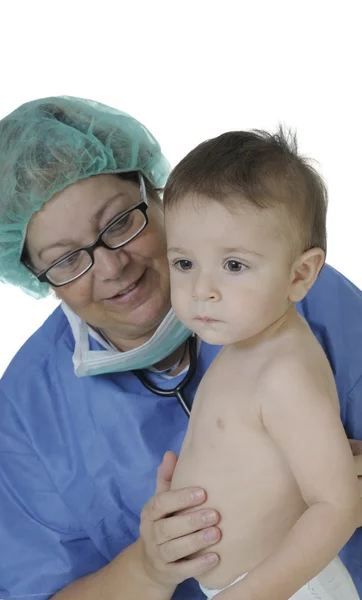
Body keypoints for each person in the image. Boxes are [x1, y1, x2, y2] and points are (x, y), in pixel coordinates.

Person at [0, 97, 361, 600]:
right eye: (65, 260)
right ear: (39, 279)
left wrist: (336, 496)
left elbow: (335, 503)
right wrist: (148, 570)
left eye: (119, 223)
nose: (111, 267)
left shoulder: (300, 298)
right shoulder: (31, 406)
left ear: (156, 195)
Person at [164, 128, 361, 600]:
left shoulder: (283, 372)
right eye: (184, 263)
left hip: (291, 588)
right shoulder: (242, 347)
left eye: (234, 265)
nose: (201, 289)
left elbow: (337, 504)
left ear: (299, 275)